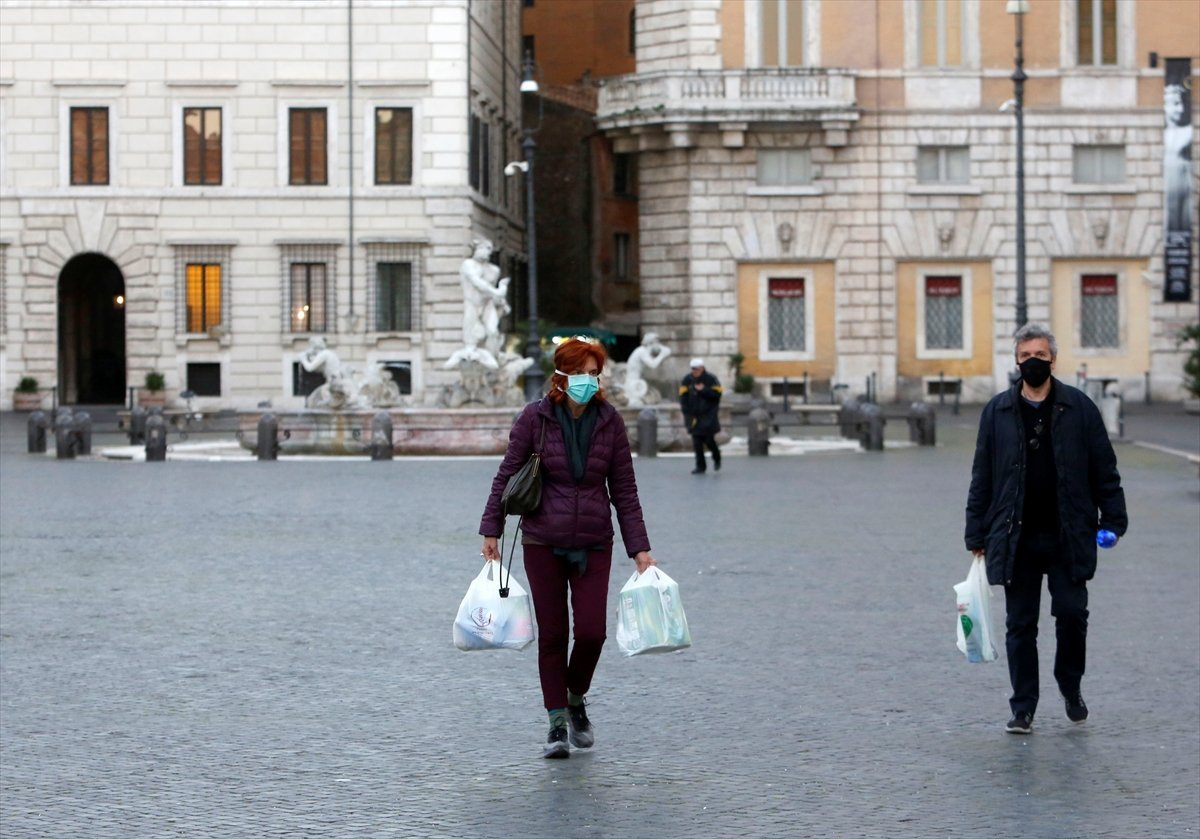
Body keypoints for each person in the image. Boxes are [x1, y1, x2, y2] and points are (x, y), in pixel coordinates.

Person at [479, 338, 656, 759]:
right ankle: (557, 722)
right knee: (554, 634)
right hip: (543, 539)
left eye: (595, 373)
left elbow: (625, 490)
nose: (588, 381)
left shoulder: (609, 421)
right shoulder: (534, 419)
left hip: (595, 540)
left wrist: (640, 548)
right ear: (562, 375)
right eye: (581, 373)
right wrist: (492, 528)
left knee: (593, 633)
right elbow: (507, 473)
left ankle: (576, 698)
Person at [965, 324, 1127, 735]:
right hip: (1014, 535)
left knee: (1072, 614)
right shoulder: (997, 411)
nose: (1033, 362)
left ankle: (1070, 686)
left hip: (1067, 534)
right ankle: (1023, 707)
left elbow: (1104, 469)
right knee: (1020, 624)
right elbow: (982, 475)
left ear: (1053, 359)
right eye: (1025, 356)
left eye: (1040, 354)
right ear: (1016, 361)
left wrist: (1113, 519)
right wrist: (975, 534)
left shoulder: (1080, 408)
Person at [459, 239, 511, 362]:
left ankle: (493, 357)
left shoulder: (494, 270)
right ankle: (471, 353)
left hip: (488, 304)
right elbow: (477, 283)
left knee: (492, 332)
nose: (488, 252)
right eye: (485, 248)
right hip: (472, 303)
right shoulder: (468, 265)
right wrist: (497, 292)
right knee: (471, 334)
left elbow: (490, 288)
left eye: (490, 249)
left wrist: (502, 301)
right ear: (477, 249)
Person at [679, 358, 723, 474]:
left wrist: (704, 390)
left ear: (702, 368)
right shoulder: (687, 380)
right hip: (694, 417)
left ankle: (717, 457)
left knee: (709, 440)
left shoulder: (711, 379)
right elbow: (683, 396)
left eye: (697, 369)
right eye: (693, 369)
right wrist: (686, 411)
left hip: (709, 416)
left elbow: (717, 395)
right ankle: (700, 466)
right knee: (697, 442)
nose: (694, 371)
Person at [621, 332, 672, 408]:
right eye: (657, 342)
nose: (659, 345)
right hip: (634, 383)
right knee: (639, 402)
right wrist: (662, 354)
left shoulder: (644, 351)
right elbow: (653, 365)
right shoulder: (642, 351)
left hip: (637, 381)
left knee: (653, 397)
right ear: (650, 343)